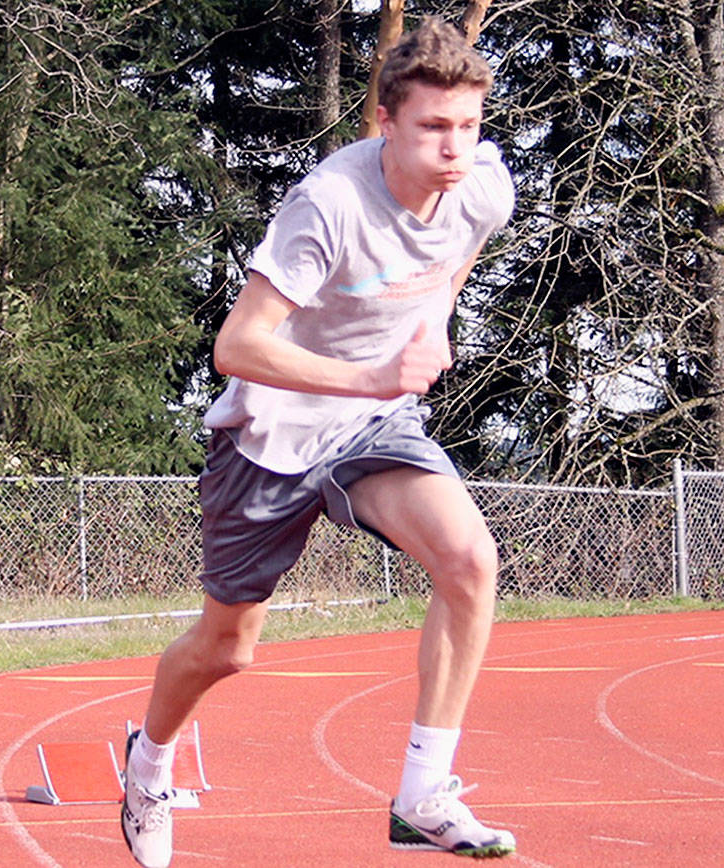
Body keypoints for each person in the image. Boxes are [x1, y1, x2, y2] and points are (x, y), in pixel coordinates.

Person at [120, 16, 516, 867]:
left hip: (373, 428)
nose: (457, 148)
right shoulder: (329, 205)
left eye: (470, 126)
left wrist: (433, 328)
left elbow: (452, 265)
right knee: (230, 649)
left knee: (470, 562)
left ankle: (423, 792)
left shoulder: (485, 186)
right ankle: (149, 760)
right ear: (385, 120)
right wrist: (375, 375)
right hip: (270, 437)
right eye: (434, 128)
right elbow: (238, 345)